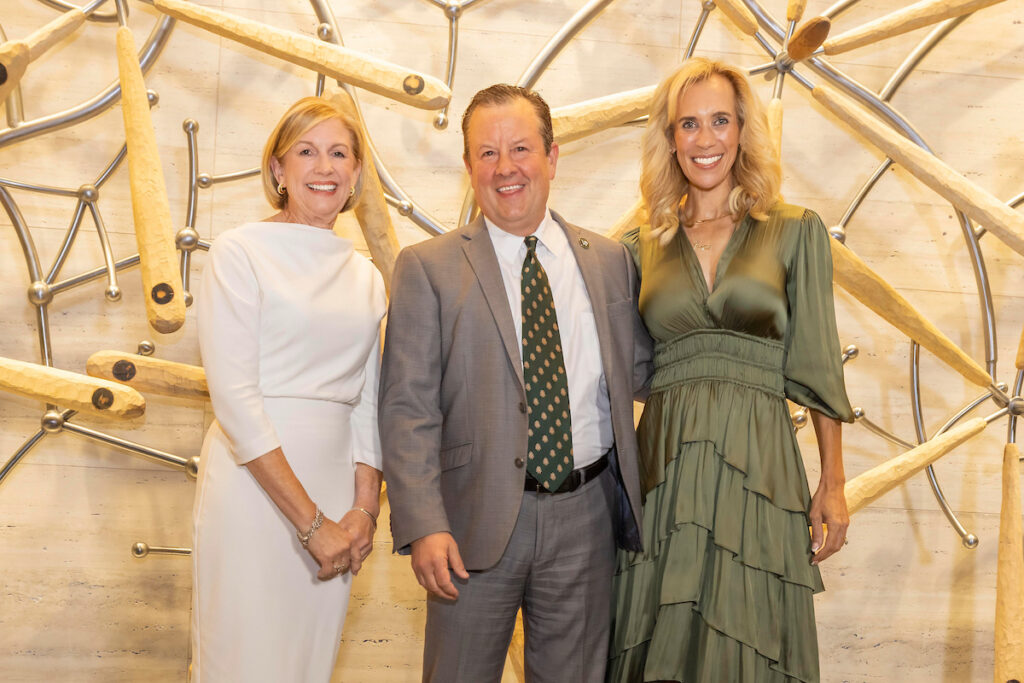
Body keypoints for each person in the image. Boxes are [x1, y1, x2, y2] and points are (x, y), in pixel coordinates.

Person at [379, 84, 653, 683]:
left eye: (521, 148)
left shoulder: (610, 261)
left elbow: (644, 372)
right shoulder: (427, 267)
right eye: (487, 153)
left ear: (552, 157)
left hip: (587, 517)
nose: (505, 167)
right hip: (469, 522)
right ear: (468, 166)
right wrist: (424, 523)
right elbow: (406, 409)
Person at [607, 58, 855, 683]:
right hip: (665, 469)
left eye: (720, 120)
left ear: (743, 130)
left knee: (751, 635)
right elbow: (616, 372)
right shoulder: (637, 248)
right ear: (669, 138)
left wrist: (832, 482)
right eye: (688, 124)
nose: (705, 138)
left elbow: (819, 364)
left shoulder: (796, 232)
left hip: (760, 466)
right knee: (660, 634)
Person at [191, 96, 386, 682]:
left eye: (339, 154)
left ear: (356, 173)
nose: (324, 167)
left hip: (337, 496)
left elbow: (368, 403)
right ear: (278, 168)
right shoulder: (239, 251)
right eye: (306, 151)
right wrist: (311, 524)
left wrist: (363, 512)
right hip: (254, 491)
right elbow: (235, 400)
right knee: (243, 660)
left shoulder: (367, 276)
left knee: (307, 666)